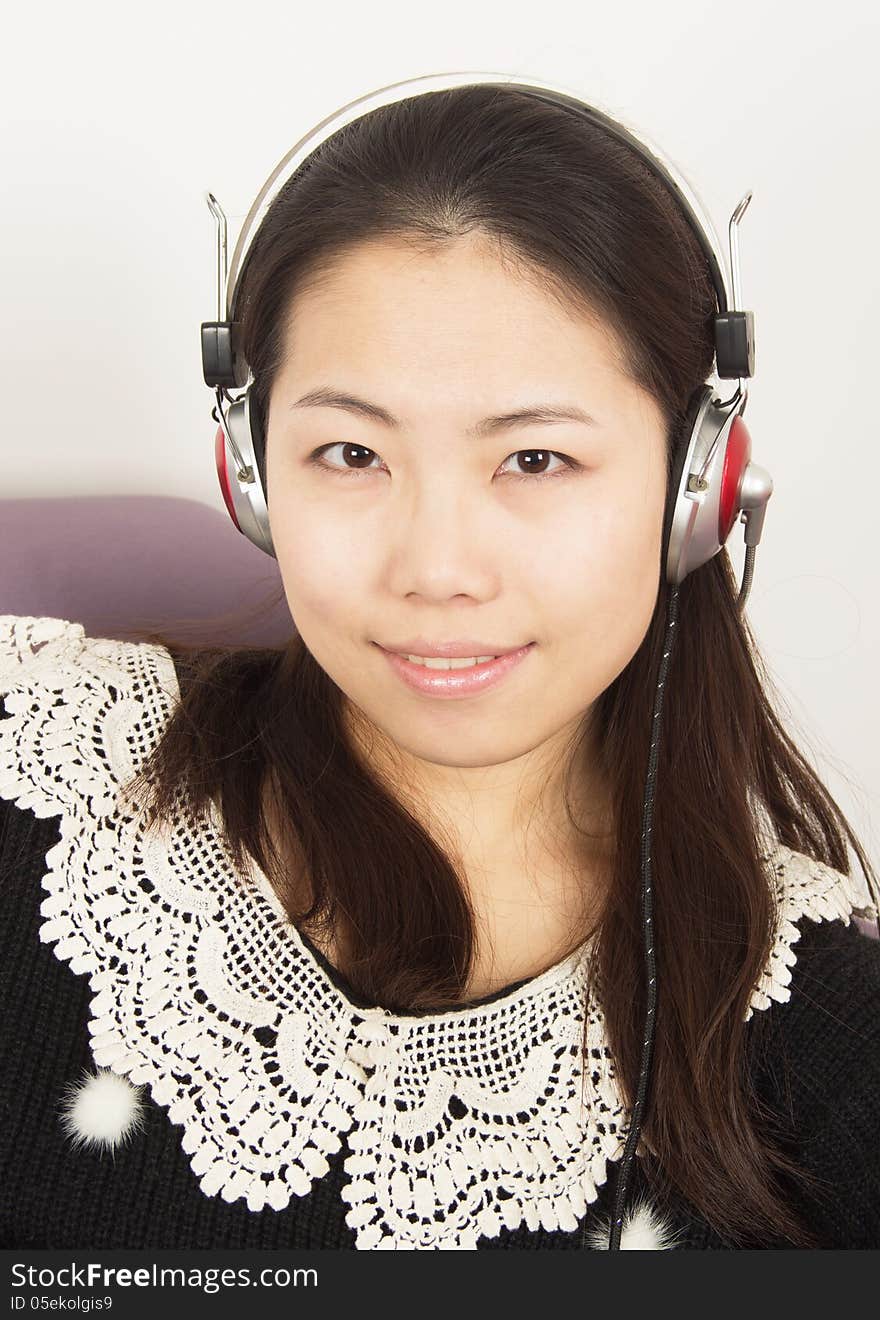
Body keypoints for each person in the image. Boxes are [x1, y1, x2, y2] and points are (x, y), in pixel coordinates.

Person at [1, 81, 879, 1252]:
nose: (437, 569)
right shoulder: (43, 762)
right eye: (350, 451)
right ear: (251, 480)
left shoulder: (830, 1051)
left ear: (696, 493)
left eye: (533, 457)